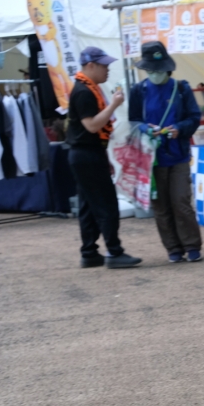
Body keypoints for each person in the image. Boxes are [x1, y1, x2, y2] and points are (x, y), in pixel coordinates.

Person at [66, 46, 142, 269]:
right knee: (106, 203)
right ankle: (114, 252)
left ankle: (89, 252)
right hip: (86, 154)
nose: (107, 70)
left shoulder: (87, 88)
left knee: (88, 205)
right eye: (104, 66)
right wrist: (114, 105)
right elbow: (91, 126)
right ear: (91, 66)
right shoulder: (84, 92)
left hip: (87, 153)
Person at [129, 42, 204, 263]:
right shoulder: (138, 91)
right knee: (161, 206)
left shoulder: (181, 88)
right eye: (150, 70)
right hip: (151, 159)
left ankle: (192, 245)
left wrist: (179, 129)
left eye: (158, 70)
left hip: (178, 154)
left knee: (181, 201)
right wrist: (146, 128)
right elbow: (133, 121)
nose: (154, 74)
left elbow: (194, 117)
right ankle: (173, 248)